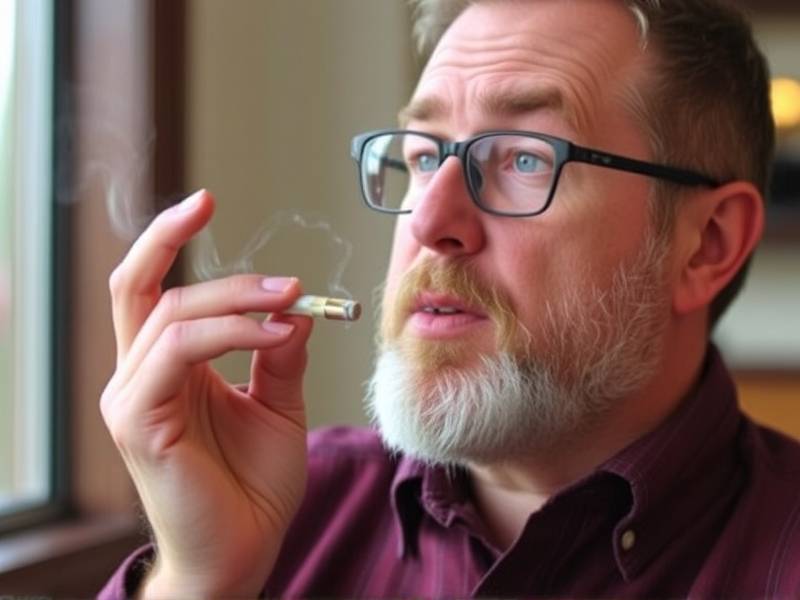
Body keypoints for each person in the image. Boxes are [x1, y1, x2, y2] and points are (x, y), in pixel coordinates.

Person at [100, 0, 800, 597]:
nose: (429, 222)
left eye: (525, 158)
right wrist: (197, 578)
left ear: (706, 244)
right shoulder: (277, 511)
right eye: (426, 155)